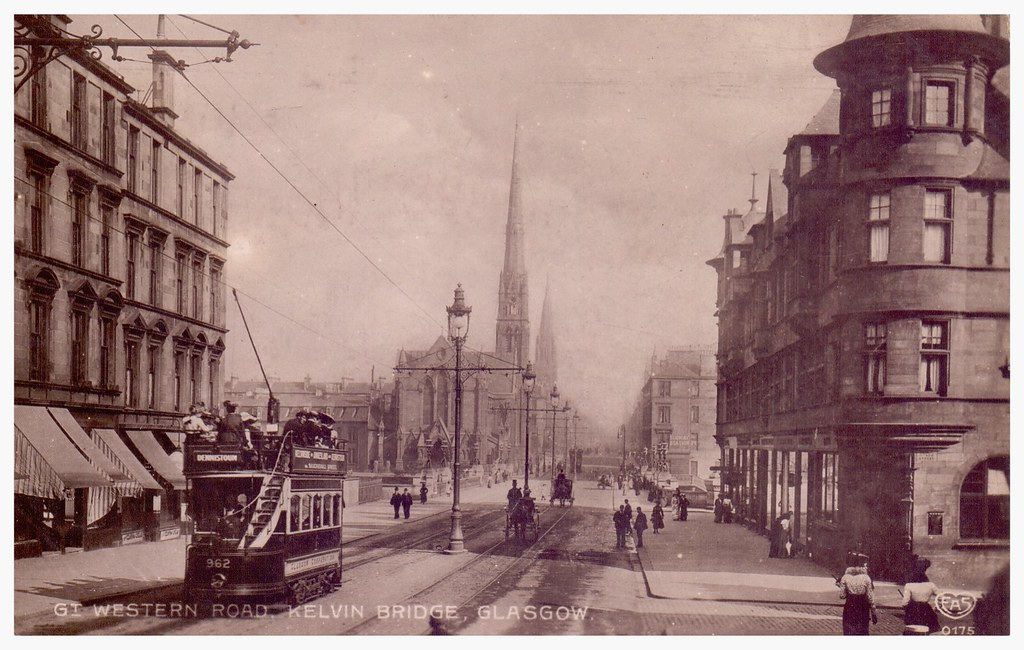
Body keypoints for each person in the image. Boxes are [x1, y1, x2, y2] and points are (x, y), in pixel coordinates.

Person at [838, 552, 878, 635]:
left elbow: (842, 596)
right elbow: (870, 597)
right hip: (863, 606)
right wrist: (873, 612)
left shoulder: (845, 577)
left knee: (849, 630)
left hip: (850, 605)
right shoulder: (866, 578)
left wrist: (843, 587)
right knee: (862, 630)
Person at [901, 558, 940, 634]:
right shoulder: (931, 585)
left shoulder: (909, 585)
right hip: (926, 609)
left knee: (913, 631)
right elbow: (941, 596)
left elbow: (905, 602)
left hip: (913, 610)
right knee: (928, 630)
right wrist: (936, 606)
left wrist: (905, 607)